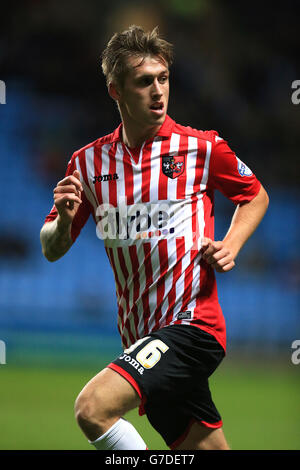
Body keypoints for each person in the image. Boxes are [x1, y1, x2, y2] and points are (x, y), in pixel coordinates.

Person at [40, 25, 269, 451]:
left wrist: (231, 245)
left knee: (92, 408)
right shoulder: (87, 164)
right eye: (145, 82)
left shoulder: (201, 148)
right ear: (116, 91)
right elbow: (52, 249)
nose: (158, 91)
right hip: (142, 338)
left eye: (163, 79)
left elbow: (255, 195)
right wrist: (63, 220)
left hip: (192, 327)